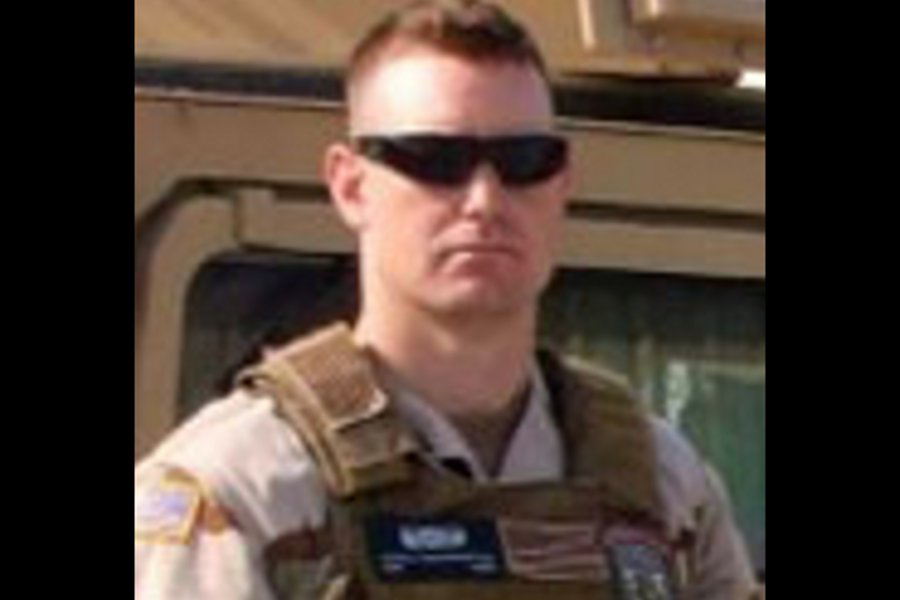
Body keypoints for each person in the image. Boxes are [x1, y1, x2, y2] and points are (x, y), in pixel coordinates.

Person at [134, 1, 762, 598]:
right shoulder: (243, 485)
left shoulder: (660, 483)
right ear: (351, 186)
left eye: (523, 161)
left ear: (562, 183)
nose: (485, 200)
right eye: (434, 159)